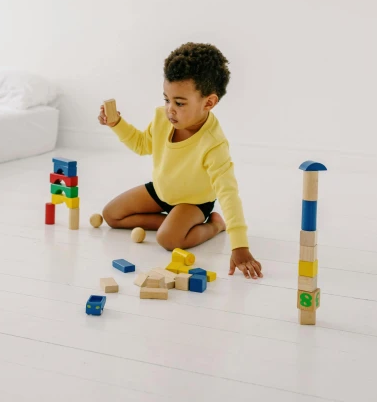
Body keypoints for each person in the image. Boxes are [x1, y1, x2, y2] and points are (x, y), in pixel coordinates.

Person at [100, 42, 263, 279]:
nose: (169, 110)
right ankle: (172, 222)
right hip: (162, 190)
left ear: (208, 102)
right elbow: (142, 144)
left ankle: (214, 225)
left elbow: (228, 192)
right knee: (111, 215)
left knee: (168, 239)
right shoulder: (162, 117)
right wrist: (116, 124)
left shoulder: (213, 143)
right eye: (166, 99)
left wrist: (240, 246)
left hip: (193, 202)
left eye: (179, 103)